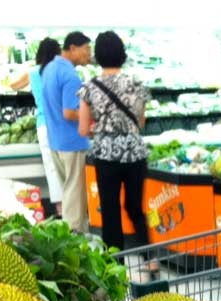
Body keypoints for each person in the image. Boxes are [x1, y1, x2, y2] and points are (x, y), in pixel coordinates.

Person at [78, 31, 150, 251]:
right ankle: (151, 259)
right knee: (135, 208)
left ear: (97, 57)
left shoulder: (89, 88)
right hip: (135, 154)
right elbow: (141, 122)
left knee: (110, 210)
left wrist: (101, 130)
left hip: (106, 155)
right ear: (122, 54)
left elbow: (82, 129)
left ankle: (115, 265)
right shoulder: (136, 83)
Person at [41, 31, 92, 234]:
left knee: (67, 190)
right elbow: (70, 112)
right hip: (72, 141)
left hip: (55, 140)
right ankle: (74, 235)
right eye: (86, 48)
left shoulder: (49, 68)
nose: (89, 54)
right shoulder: (70, 74)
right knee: (75, 192)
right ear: (73, 48)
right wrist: (93, 115)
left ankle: (74, 231)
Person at [11, 38, 64, 217]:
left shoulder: (33, 72)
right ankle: (72, 208)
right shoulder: (60, 71)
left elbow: (13, 85)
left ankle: (59, 209)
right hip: (63, 124)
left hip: (44, 125)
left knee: (51, 168)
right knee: (68, 168)